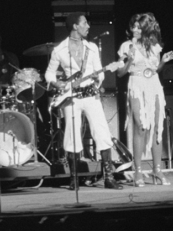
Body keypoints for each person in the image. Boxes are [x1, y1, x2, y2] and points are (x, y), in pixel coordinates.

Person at [45, 13, 122, 190]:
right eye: (84, 23)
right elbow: (49, 74)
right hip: (71, 98)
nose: (88, 26)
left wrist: (98, 79)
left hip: (90, 95)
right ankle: (74, 179)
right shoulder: (59, 50)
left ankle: (109, 177)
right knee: (71, 135)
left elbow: (100, 72)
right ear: (74, 26)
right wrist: (58, 82)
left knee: (101, 133)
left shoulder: (92, 48)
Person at [117, 12, 173, 187]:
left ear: (145, 29)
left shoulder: (154, 46)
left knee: (157, 126)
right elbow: (120, 73)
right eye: (133, 26)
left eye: (138, 27)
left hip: (154, 85)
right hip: (136, 84)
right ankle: (138, 172)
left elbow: (155, 70)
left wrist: (163, 62)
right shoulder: (126, 46)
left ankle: (157, 170)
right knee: (140, 126)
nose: (134, 29)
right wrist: (130, 60)